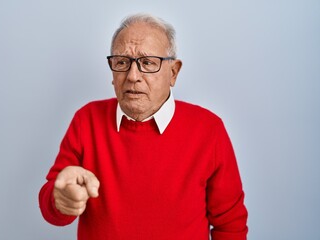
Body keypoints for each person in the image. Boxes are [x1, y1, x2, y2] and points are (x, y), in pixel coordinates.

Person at [39, 13, 248, 240]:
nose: (133, 76)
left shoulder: (209, 130)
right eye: (122, 62)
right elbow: (54, 203)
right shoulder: (86, 120)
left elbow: (230, 225)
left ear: (173, 72)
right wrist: (60, 198)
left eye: (148, 63)